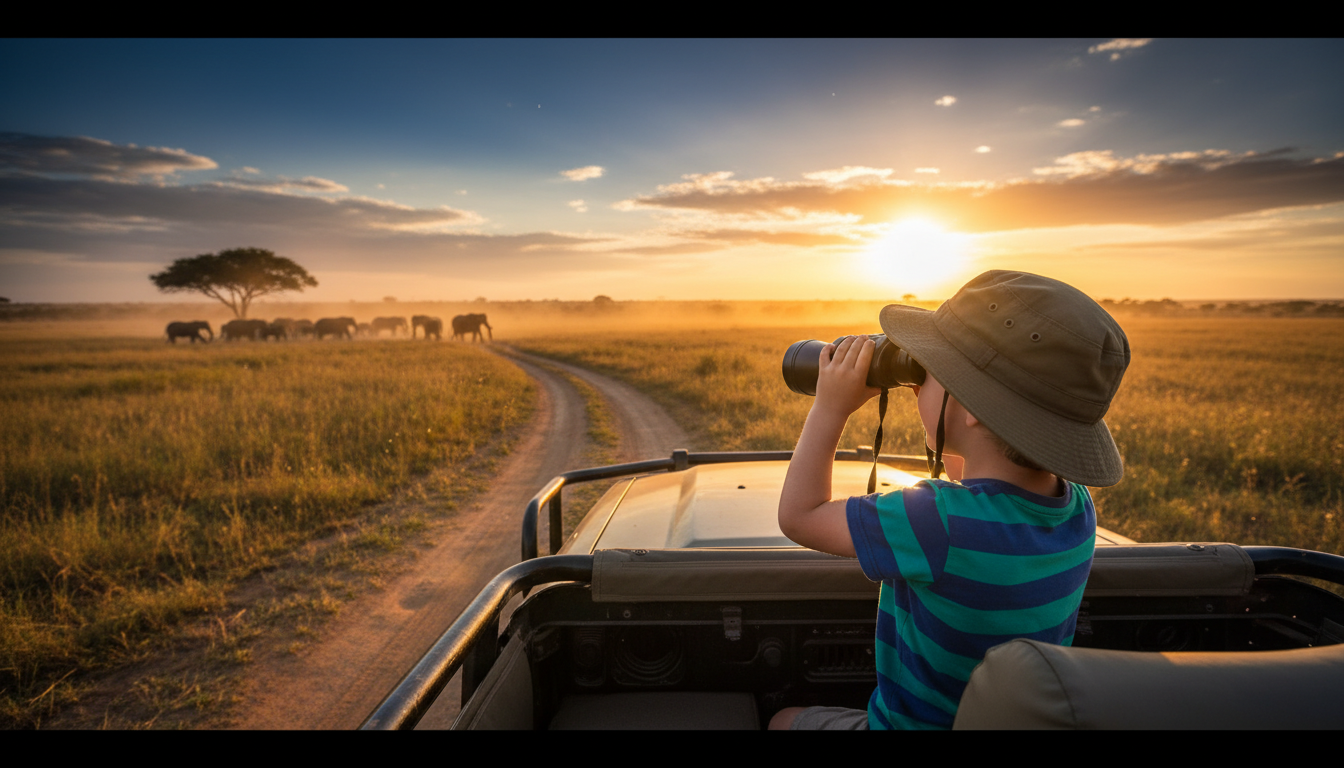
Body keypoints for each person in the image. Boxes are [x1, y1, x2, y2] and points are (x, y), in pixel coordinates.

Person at [772, 270, 1130, 730]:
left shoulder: (935, 521)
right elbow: (985, 477)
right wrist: (948, 403)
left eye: (933, 371)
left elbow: (801, 517)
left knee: (784, 718)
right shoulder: (1076, 509)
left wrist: (830, 406)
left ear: (973, 410)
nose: (920, 380)